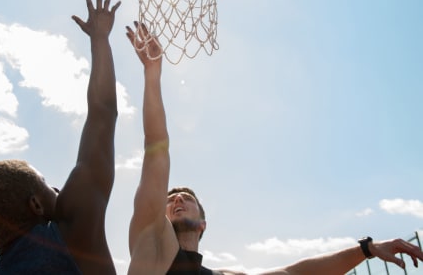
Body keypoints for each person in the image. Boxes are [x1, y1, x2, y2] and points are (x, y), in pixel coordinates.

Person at [125, 22, 423, 275]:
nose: (177, 199)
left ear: (202, 223)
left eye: (186, 198)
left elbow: (294, 273)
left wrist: (367, 248)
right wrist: (153, 74)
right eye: (171, 199)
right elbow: (156, 150)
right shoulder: (151, 242)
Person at [0, 0, 121, 274]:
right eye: (46, 183)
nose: (58, 189)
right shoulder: (70, 235)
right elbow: (103, 114)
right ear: (36, 205)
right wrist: (100, 39)